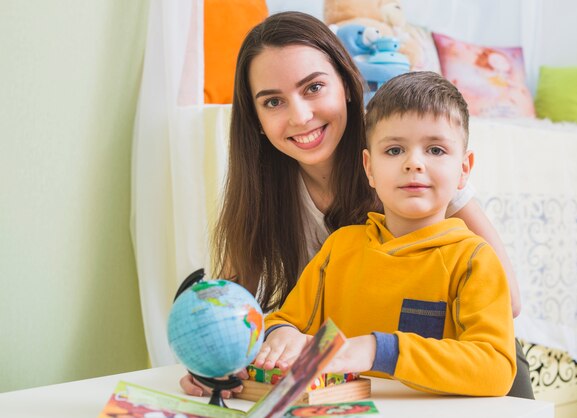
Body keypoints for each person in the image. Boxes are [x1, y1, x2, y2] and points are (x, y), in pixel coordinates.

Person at [180, 11, 532, 399]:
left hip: (463, 376)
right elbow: (233, 314)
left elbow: (507, 304)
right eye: (273, 101)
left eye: (313, 88)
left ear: (347, 85)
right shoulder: (276, 201)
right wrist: (216, 363)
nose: (300, 115)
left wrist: (373, 348)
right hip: (359, 386)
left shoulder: (411, 163)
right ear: (257, 119)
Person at [254, 71, 516, 396]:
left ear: (464, 169)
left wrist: (380, 350)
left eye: (435, 150)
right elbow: (286, 320)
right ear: (369, 168)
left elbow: (496, 370)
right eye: (394, 150)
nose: (414, 163)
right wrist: (280, 334)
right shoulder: (340, 248)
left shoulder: (474, 259)